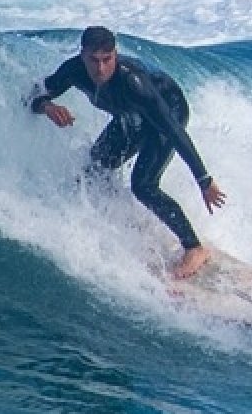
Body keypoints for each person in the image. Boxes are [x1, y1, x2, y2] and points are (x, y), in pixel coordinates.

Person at [28, 25, 228, 279]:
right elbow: (32, 96)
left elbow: (174, 132)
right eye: (93, 60)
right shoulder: (73, 71)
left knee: (144, 185)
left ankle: (194, 248)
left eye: (107, 60)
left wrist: (204, 180)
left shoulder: (134, 83)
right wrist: (46, 106)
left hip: (168, 111)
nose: (100, 69)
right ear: (82, 55)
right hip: (130, 117)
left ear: (115, 54)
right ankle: (127, 217)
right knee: (95, 171)